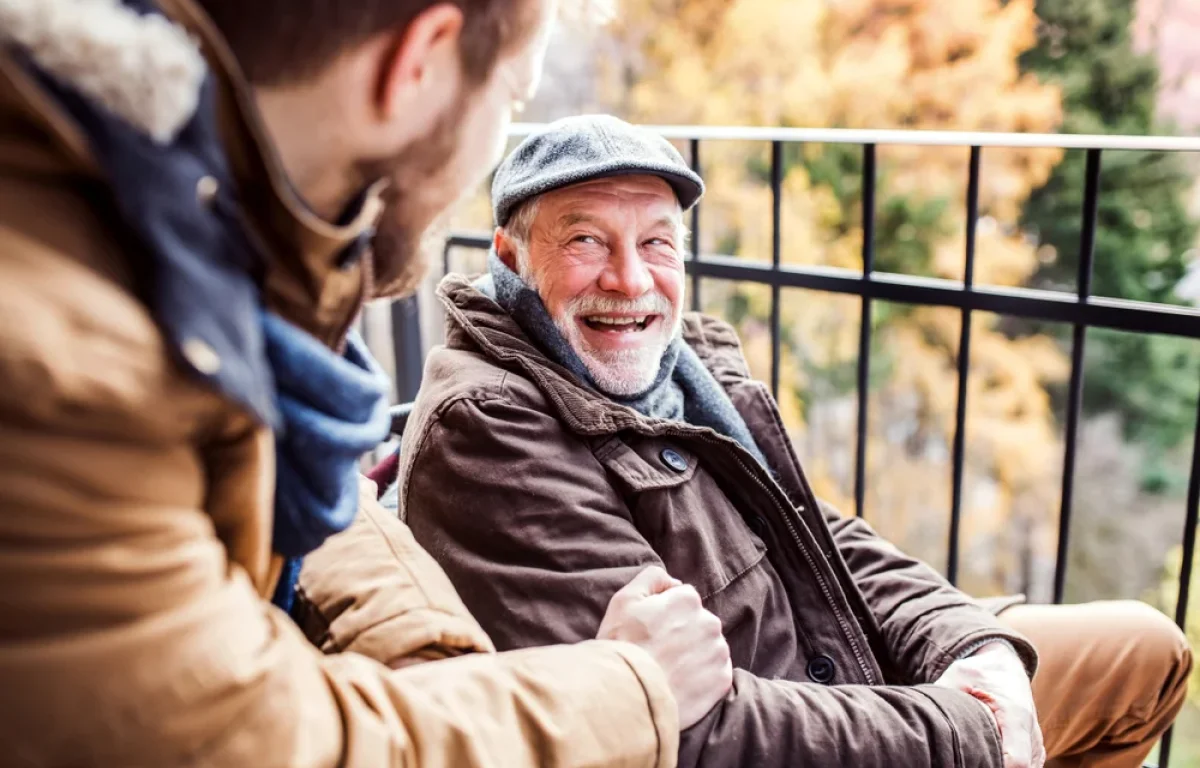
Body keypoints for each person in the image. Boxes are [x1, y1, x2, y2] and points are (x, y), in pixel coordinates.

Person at [0, 1, 735, 765]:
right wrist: (630, 688)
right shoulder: (56, 360)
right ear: (416, 63)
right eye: (512, 96)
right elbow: (262, 741)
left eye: (657, 242)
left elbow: (311, 499)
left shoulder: (176, 229)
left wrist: (428, 659)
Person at [394, 114, 1195, 768]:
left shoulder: (682, 363)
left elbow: (817, 532)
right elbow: (684, 730)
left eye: (656, 243)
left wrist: (970, 645)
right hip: (786, 724)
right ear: (510, 255)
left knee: (1142, 650)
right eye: (586, 241)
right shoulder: (489, 426)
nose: (631, 281)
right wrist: (964, 731)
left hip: (836, 660)